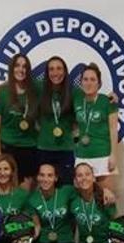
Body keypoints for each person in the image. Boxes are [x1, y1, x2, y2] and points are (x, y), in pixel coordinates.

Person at [0, 54, 39, 191]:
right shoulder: (0, 93)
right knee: (4, 194)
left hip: (29, 150)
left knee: (24, 196)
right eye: (17, 66)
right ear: (11, 68)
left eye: (24, 66)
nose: (21, 69)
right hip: (7, 149)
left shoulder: (36, 90)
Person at [26, 163, 77, 243]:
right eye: (42, 175)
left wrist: (105, 191)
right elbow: (36, 226)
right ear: (37, 177)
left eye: (50, 175)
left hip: (65, 241)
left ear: (56, 178)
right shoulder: (32, 199)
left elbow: (86, 189)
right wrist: (27, 238)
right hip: (43, 242)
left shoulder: (67, 191)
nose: (45, 179)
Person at [71, 163, 122, 243]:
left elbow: (116, 222)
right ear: (75, 181)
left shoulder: (106, 197)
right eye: (79, 175)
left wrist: (119, 240)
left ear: (93, 178)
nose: (84, 178)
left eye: (87, 174)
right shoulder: (72, 200)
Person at [73, 64, 119, 190]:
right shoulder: (76, 100)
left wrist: (113, 155)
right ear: (81, 82)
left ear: (99, 83)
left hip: (103, 155)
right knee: (83, 198)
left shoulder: (108, 101)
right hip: (82, 155)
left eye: (93, 79)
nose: (88, 83)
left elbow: (113, 129)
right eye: (85, 79)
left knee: (106, 197)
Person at [36, 56, 76, 185]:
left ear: (65, 71)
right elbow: (19, 82)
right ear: (47, 73)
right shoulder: (39, 89)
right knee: (45, 189)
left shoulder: (73, 92)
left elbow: (92, 93)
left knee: (66, 189)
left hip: (66, 149)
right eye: (51, 69)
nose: (55, 73)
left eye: (59, 68)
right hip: (44, 149)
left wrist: (111, 97)